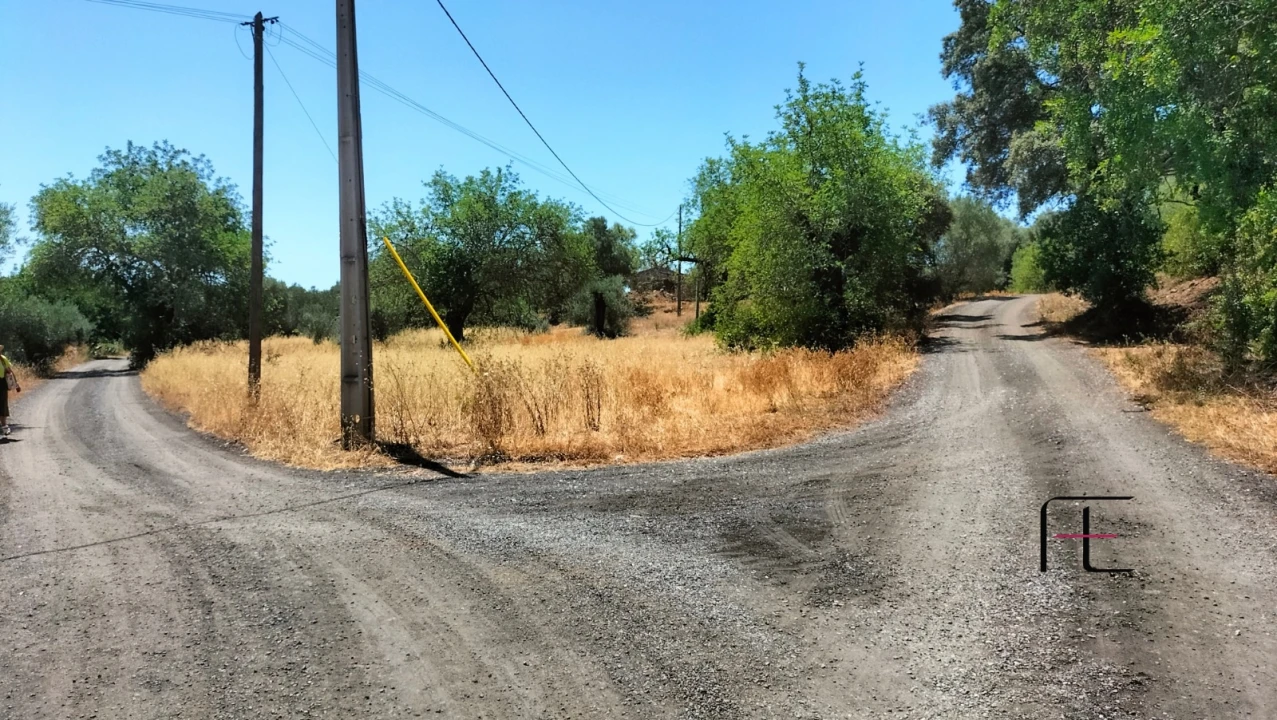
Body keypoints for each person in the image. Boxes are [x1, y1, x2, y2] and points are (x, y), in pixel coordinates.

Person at [0, 344, 21, 436]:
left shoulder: (3, 359)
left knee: (3, 405)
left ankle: (4, 427)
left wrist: (16, 384)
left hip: (2, 384)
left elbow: (10, 371)